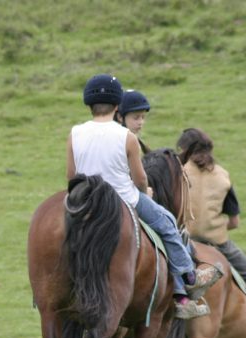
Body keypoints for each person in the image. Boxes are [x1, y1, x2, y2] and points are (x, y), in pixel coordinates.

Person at [66, 74, 222, 319]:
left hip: (85, 201)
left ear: (89, 105)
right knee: (168, 222)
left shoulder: (75, 133)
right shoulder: (127, 137)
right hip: (124, 200)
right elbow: (140, 179)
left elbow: (72, 176)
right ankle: (189, 276)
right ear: (117, 106)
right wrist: (146, 191)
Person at [176, 127, 246, 338]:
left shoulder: (177, 172)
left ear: (183, 150)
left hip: (183, 241)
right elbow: (234, 222)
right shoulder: (223, 176)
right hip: (216, 243)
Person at [116, 89, 152, 155]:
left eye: (143, 117)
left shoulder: (137, 142)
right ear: (120, 117)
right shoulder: (117, 143)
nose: (141, 122)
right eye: (136, 118)